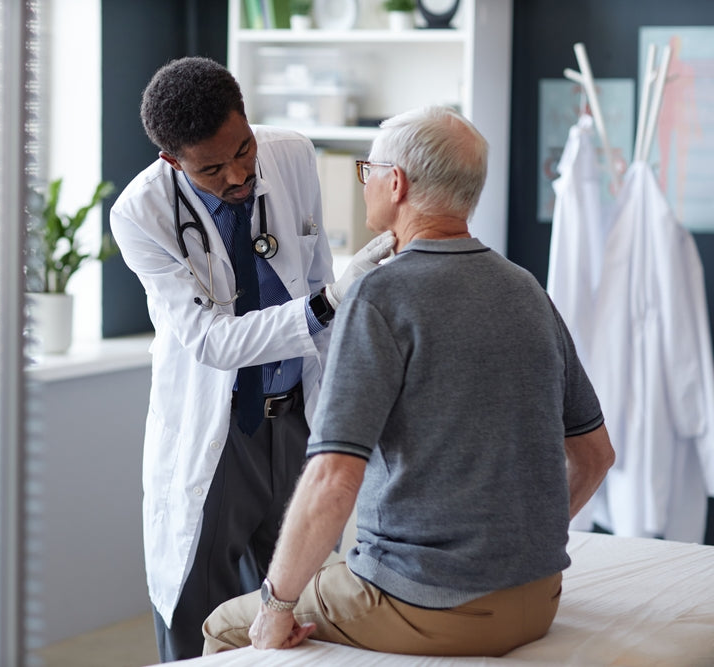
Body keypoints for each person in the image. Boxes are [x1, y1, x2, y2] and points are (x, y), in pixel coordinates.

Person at [202, 105, 616, 657]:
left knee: (228, 625)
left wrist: (277, 608)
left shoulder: (380, 297)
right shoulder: (526, 290)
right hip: (539, 598)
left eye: (367, 169)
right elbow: (595, 456)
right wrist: (515, 550)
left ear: (395, 183)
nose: (365, 180)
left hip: (425, 604)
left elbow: (332, 480)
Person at [108, 56, 394, 662]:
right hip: (220, 435)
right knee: (198, 616)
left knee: (292, 609)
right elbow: (213, 342)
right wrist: (329, 301)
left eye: (243, 150)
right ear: (173, 161)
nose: (238, 174)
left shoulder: (290, 154)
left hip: (295, 421)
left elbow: (314, 273)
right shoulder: (141, 213)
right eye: (212, 168)